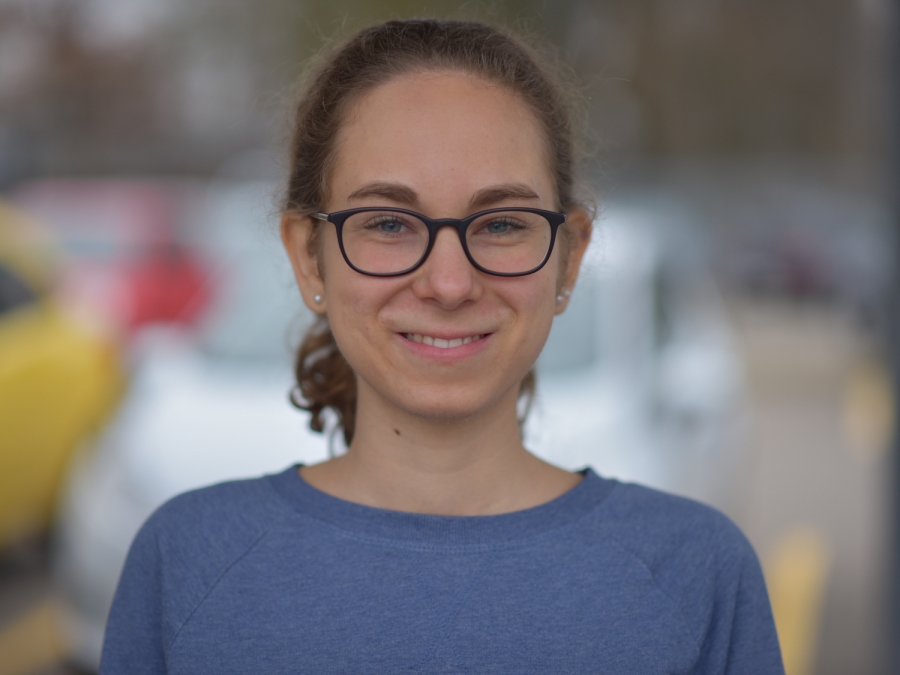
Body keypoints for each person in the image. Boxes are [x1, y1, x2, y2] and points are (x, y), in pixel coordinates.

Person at [101, 19, 784, 674]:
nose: (450, 283)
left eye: (502, 223)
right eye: (390, 222)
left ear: (569, 257)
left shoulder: (697, 573)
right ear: (309, 257)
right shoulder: (187, 560)